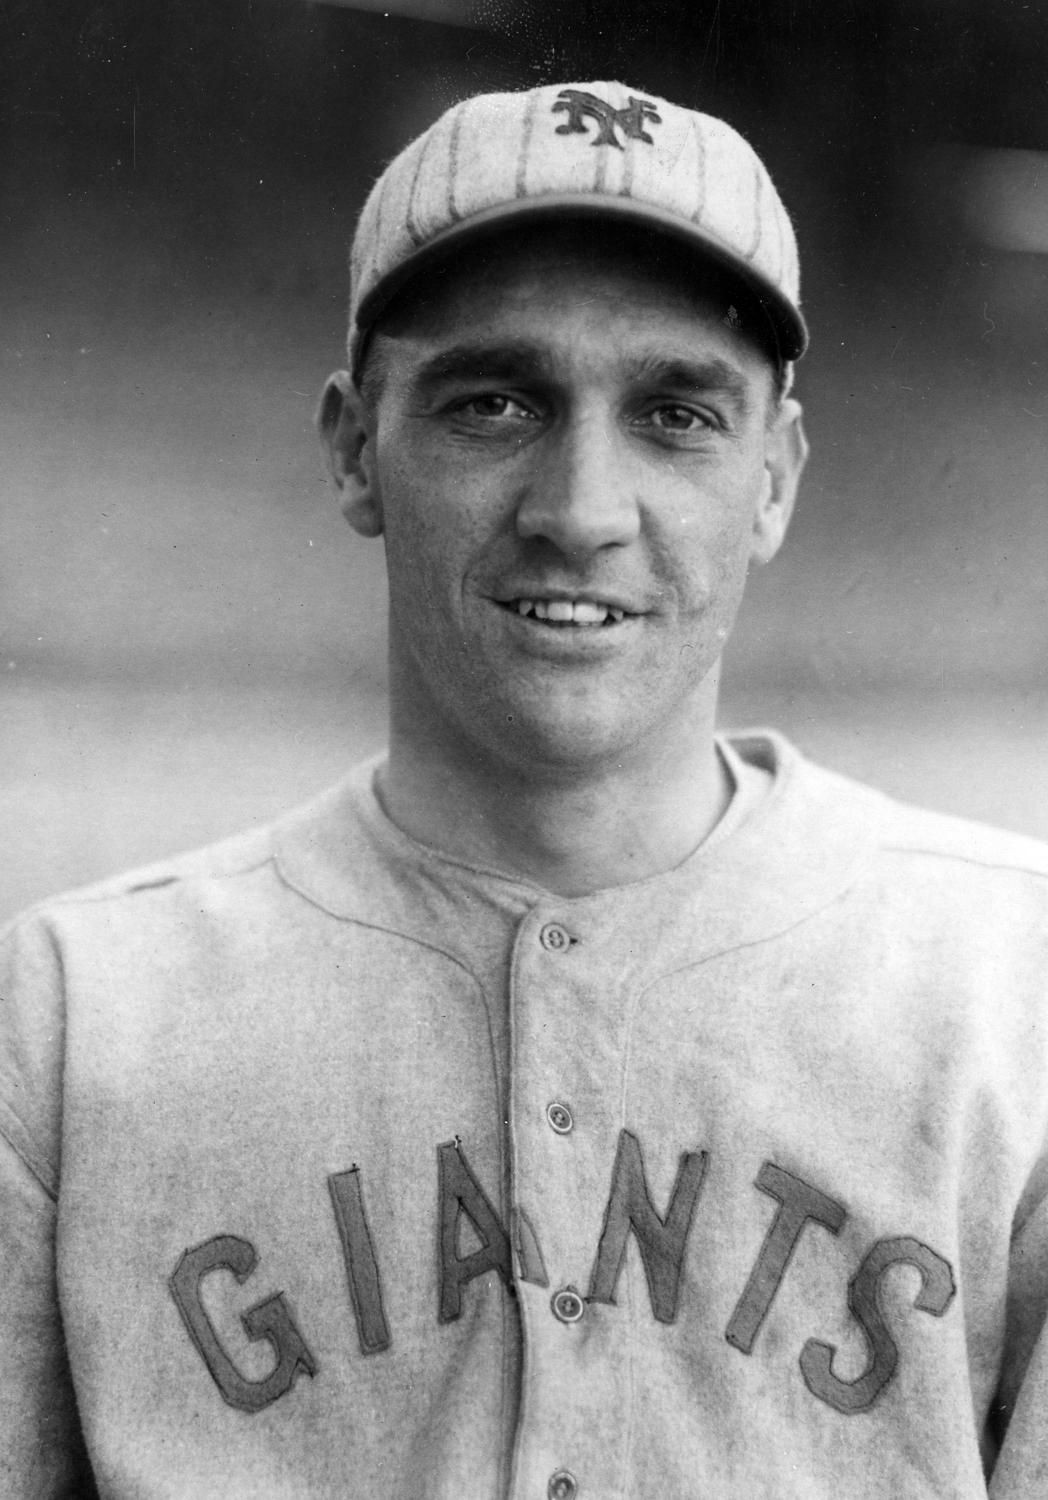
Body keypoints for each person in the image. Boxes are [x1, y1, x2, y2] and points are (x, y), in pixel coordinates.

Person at [2, 79, 1047, 1500]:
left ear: (775, 479)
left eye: (676, 414)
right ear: (355, 450)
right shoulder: (75, 1022)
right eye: (493, 404)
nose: (580, 511)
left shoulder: (1011, 995)